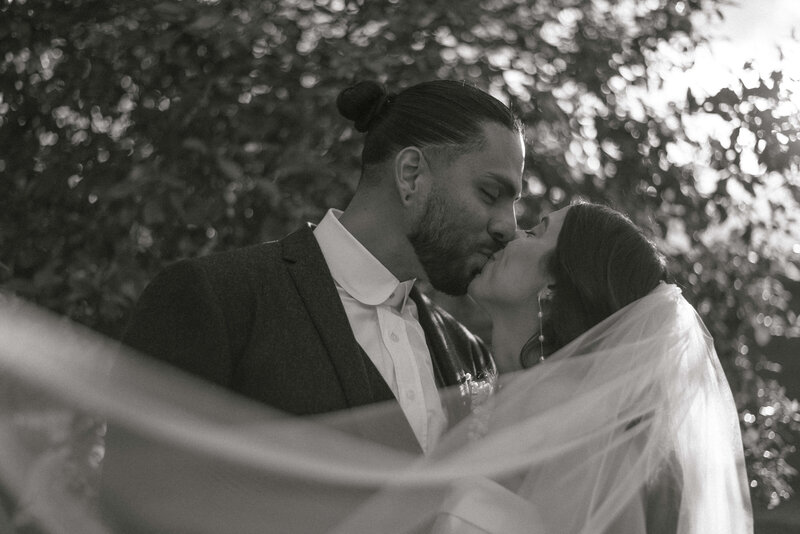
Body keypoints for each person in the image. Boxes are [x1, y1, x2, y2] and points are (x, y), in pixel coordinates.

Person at [116, 79, 525, 454]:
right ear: (411, 174)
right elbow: (140, 495)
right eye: (491, 193)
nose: (509, 226)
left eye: (514, 204)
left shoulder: (468, 352)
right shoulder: (216, 298)